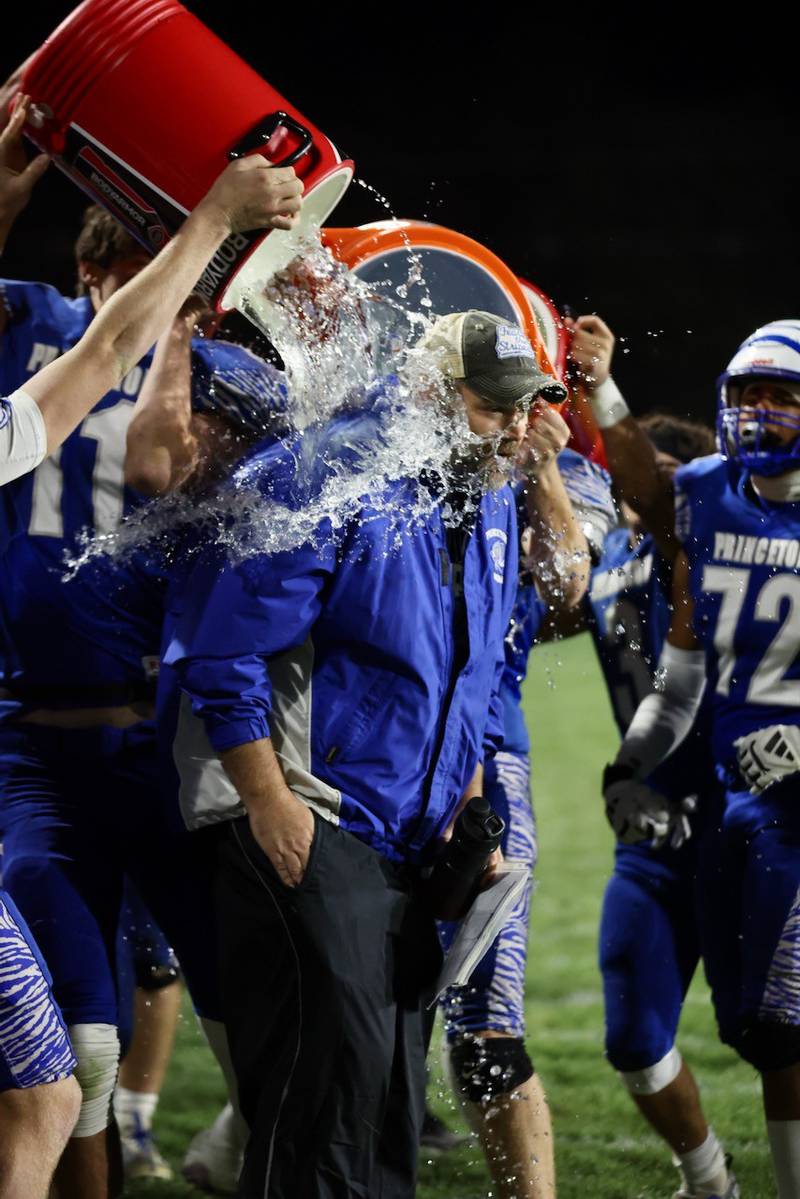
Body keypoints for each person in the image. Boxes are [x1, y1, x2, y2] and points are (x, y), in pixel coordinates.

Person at [161, 310, 566, 1198]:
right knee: (324, 1120)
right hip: (315, 819)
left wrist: (465, 801)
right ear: (428, 390)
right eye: (492, 405)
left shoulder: (487, 495)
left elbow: (473, 670)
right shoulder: (325, 471)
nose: (514, 424)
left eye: (522, 406)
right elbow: (219, 654)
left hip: (410, 840)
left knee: (384, 1115)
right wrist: (271, 804)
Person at [0, 98, 304, 1198]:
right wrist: (217, 215)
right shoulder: (44, 327)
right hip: (38, 732)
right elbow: (113, 353)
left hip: (174, 737)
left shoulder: (227, 367)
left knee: (239, 1013)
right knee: (63, 1059)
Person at [603, 318, 800, 1199]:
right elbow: (681, 680)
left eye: (782, 397)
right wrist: (631, 764)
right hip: (735, 804)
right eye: (748, 395)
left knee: (789, 1021)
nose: (760, 414)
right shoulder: (709, 497)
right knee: (760, 1026)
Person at [439, 398, 587, 1199]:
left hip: (488, 760)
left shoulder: (550, 470)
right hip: (373, 764)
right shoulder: (387, 456)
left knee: (486, 1030)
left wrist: (543, 469)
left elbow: (567, 592)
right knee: (360, 1010)